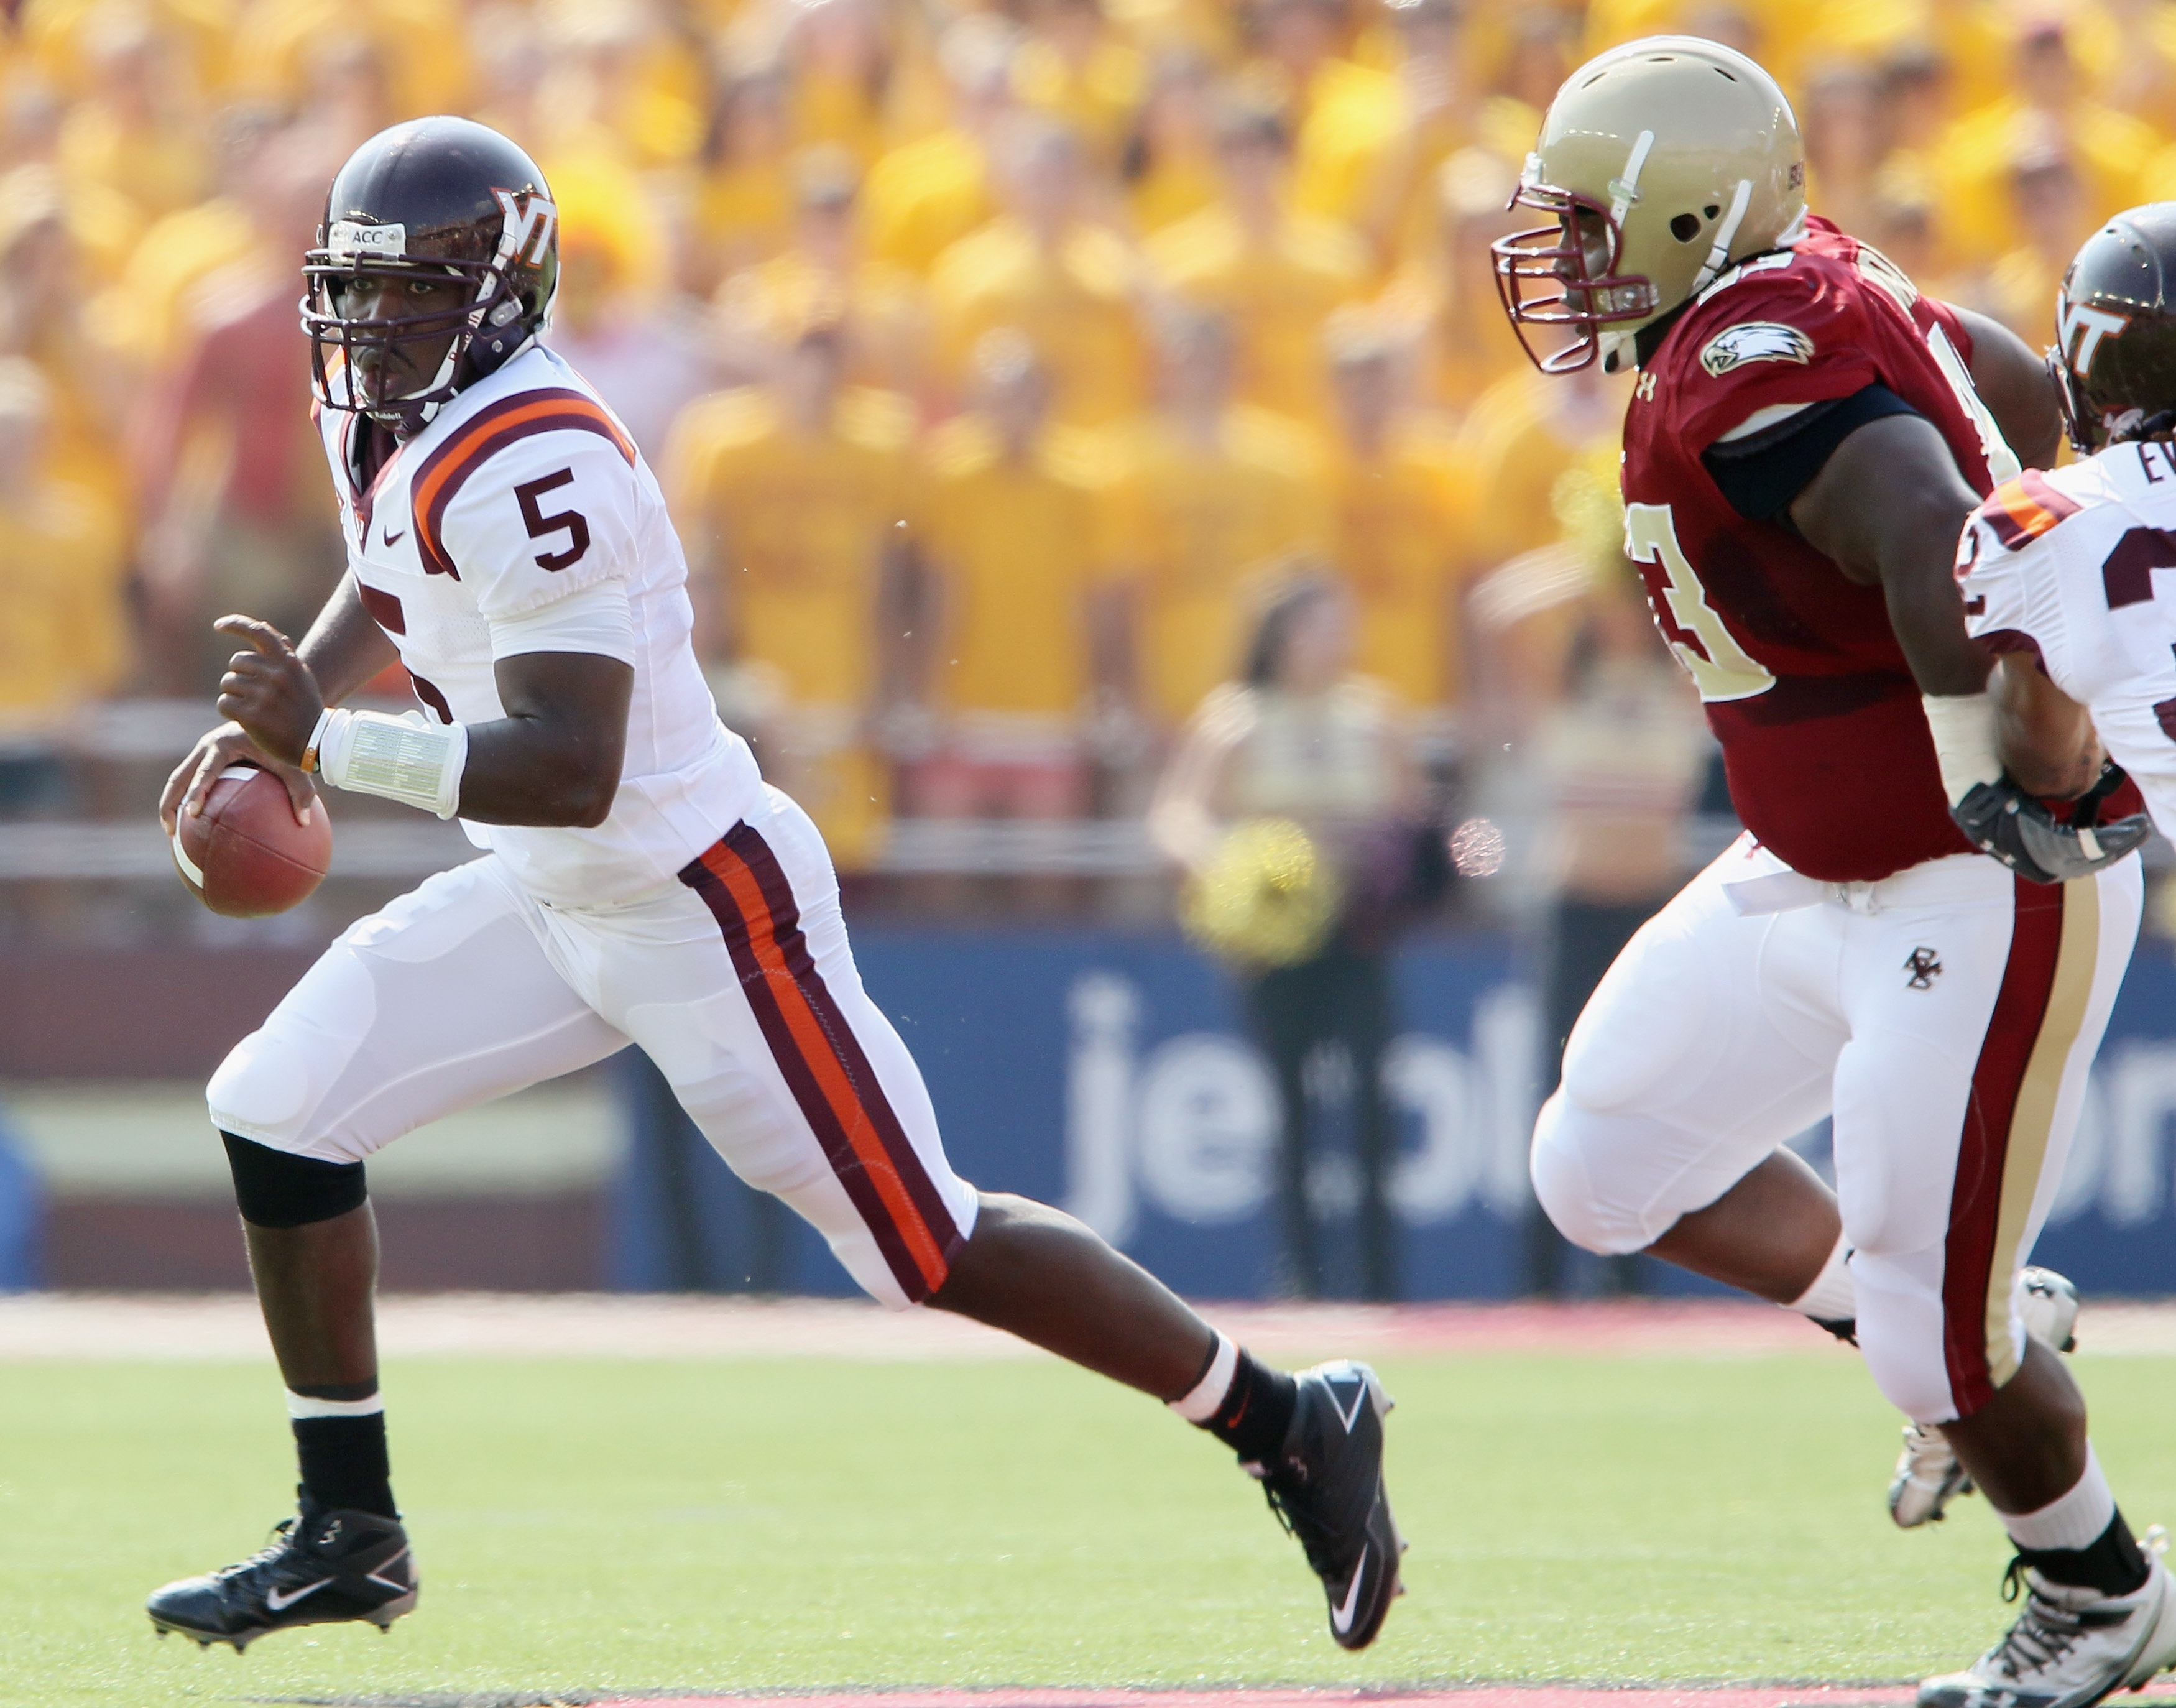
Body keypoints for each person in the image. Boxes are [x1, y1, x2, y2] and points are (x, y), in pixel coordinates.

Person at [143, 116, 1401, 1656]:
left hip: (698, 903)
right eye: (363, 293)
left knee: (924, 1244)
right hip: (551, 890)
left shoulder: (543, 457)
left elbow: (570, 762)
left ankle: (1288, 1418)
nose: (378, 328)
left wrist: (324, 740)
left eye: (416, 297)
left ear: (502, 295)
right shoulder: (406, 417)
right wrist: (272, 721)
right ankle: (351, 1526)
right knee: (277, 1101)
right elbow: (396, 570)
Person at [1494, 39, 2171, 1708]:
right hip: (1812, 869)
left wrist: (1979, 757)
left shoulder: (1753, 358)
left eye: (1591, 224)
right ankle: (1957, 1311)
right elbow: (1997, 373)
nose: (1564, 259)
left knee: (1931, 1343)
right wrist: (2076, 470)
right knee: (1599, 1159)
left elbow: (1927, 520)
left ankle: (2098, 1590)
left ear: (1686, 217)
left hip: (1970, 873)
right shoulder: (1772, 293)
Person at [1149, 571, 1426, 1300]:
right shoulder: (1237, 718)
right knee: (1290, 1104)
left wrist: (1403, 865)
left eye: (1338, 625)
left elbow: (1419, 818)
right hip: (1273, 941)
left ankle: (1376, 1280)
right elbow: (1176, 817)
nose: (1331, 642)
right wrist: (1230, 867)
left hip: (1358, 934)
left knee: (1370, 1098)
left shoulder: (1372, 717)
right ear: (1276, 636)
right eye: (1314, 625)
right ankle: (1302, 1276)